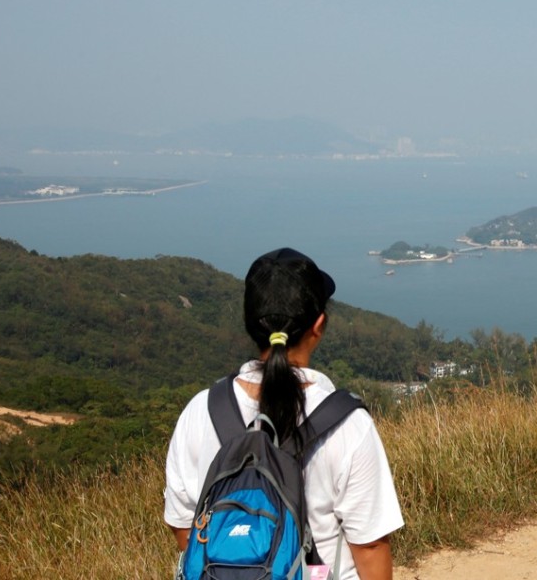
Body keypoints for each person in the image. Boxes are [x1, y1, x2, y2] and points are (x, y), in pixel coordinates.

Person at [164, 247, 404, 580]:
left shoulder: (200, 411)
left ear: (250, 324)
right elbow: (370, 547)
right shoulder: (348, 423)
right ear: (319, 325)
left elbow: (184, 529)